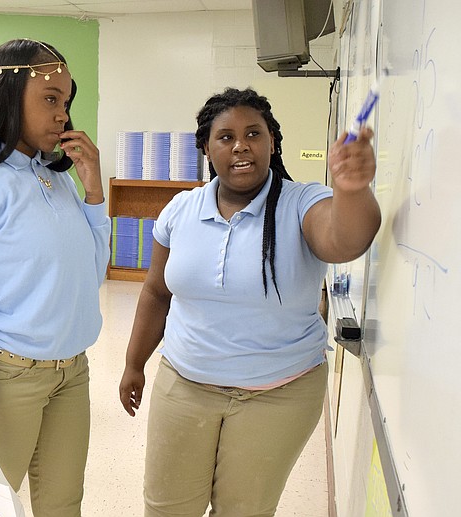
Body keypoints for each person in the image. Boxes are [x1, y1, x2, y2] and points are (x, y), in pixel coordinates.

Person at [118, 87, 381, 516]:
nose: (241, 145)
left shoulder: (301, 202)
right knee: (166, 507)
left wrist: (352, 190)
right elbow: (155, 292)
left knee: (244, 510)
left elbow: (344, 241)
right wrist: (134, 364)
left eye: (253, 134)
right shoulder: (181, 210)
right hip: (184, 383)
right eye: (225, 137)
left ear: (272, 142)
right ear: (206, 147)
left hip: (277, 393)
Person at [0, 38, 110, 516]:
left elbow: (91, 275)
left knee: (63, 503)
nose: (62, 115)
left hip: (72, 372)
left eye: (66, 101)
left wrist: (93, 189)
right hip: (9, 375)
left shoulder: (56, 178)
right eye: (50, 99)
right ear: (6, 97)